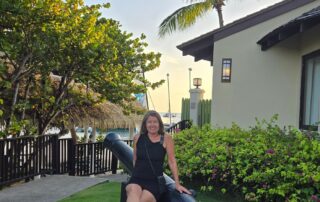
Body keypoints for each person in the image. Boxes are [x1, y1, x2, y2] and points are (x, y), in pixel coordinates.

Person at [126, 110, 191, 202]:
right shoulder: (138, 138)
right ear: (145, 124)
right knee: (133, 192)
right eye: (149, 122)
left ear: (159, 124)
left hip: (154, 181)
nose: (152, 125)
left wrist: (177, 183)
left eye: (155, 122)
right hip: (137, 178)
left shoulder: (166, 138)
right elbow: (135, 159)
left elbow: (172, 161)